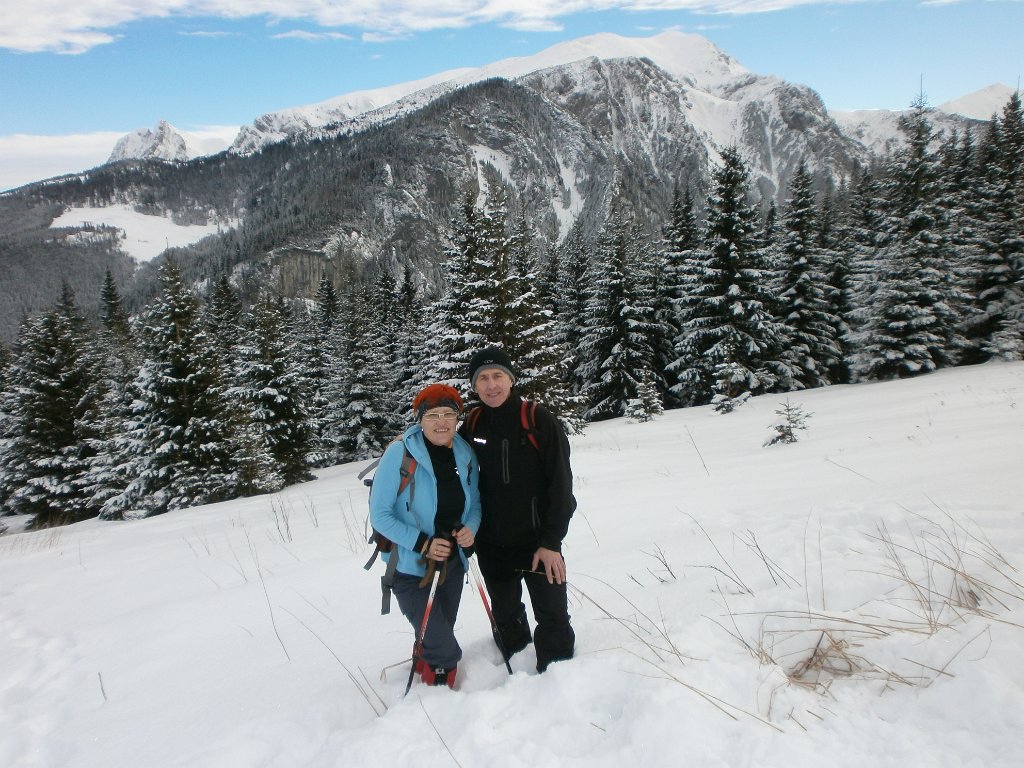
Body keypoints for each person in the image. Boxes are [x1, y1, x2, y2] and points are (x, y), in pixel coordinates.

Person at [458, 347, 576, 672]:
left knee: (552, 617)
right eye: (483, 378)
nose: (491, 385)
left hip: (538, 544)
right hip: (493, 546)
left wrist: (551, 542)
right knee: (506, 617)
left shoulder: (537, 420)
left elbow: (562, 487)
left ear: (511, 379)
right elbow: (448, 464)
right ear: (474, 385)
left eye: (497, 376)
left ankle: (558, 678)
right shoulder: (473, 424)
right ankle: (514, 669)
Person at [369, 383, 481, 689]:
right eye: (432, 415)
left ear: (457, 418)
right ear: (420, 419)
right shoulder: (400, 453)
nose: (441, 422)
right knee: (444, 648)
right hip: (410, 567)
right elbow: (380, 515)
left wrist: (470, 529)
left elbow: (475, 503)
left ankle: (424, 662)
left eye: (448, 414)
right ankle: (438, 693)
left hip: (451, 563)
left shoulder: (464, 453)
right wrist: (424, 544)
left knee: (438, 631)